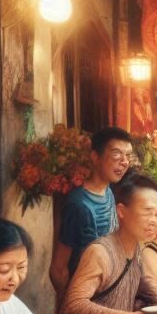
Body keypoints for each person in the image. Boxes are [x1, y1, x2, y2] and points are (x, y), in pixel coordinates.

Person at [57, 175, 157, 314]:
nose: (154, 220)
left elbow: (153, 291)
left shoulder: (137, 251)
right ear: (121, 211)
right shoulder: (100, 252)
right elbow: (74, 304)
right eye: (147, 211)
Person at [50, 127, 134, 304]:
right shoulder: (79, 204)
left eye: (128, 156)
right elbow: (58, 269)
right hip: (87, 298)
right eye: (117, 154)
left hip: (107, 292)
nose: (124, 162)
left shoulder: (109, 192)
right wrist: (72, 304)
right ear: (96, 157)